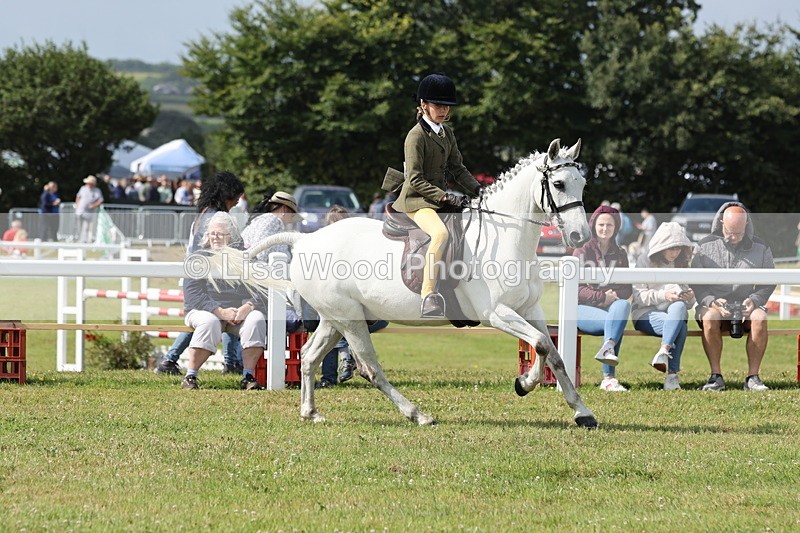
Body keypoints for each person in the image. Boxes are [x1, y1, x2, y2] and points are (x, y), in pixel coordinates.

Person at [391, 73, 483, 318]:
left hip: (437, 200)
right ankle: (428, 295)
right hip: (416, 201)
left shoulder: (447, 133)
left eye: (446, 106)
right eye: (437, 105)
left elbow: (458, 168)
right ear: (424, 105)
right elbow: (414, 179)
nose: (443, 110)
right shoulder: (416, 136)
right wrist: (445, 197)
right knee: (441, 234)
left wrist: (478, 190)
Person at [155, 171, 246, 376]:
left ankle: (230, 362)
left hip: (206, 273)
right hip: (206, 277)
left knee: (223, 314)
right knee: (215, 314)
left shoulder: (205, 211)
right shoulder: (213, 217)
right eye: (235, 199)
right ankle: (170, 359)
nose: (236, 203)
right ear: (226, 195)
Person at [690, 203, 775, 392]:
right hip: (713, 305)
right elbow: (695, 281)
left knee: (760, 318)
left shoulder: (761, 247)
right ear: (721, 223)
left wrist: (754, 300)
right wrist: (711, 300)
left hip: (747, 306)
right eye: (730, 232)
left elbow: (770, 281)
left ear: (746, 225)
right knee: (710, 316)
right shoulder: (704, 245)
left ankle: (753, 377)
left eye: (738, 232)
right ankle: (715, 376)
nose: (734, 237)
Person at [181, 212, 267, 390]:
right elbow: (193, 294)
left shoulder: (246, 256)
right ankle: (190, 376)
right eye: (212, 233)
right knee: (209, 321)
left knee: (256, 319)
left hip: (238, 313)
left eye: (220, 233)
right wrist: (219, 311)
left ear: (232, 236)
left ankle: (248, 376)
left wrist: (247, 307)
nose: (215, 237)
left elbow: (262, 289)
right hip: (203, 310)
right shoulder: (199, 257)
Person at [573, 205, 632, 392]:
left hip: (612, 308)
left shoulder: (621, 254)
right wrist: (602, 297)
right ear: (593, 226)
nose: (605, 229)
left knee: (622, 306)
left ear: (616, 228)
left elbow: (627, 288)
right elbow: (575, 290)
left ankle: (608, 353)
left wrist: (612, 297)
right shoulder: (582, 251)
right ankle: (609, 378)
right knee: (616, 322)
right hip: (581, 309)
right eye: (601, 225)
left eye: (609, 225)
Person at [631, 222, 696, 390]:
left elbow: (688, 303)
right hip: (645, 313)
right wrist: (663, 295)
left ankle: (663, 351)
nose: (675, 253)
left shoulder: (682, 262)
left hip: (674, 311)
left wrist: (689, 297)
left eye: (678, 248)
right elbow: (639, 297)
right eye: (671, 248)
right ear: (661, 246)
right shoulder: (644, 260)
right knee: (680, 326)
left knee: (680, 307)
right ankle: (672, 376)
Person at [75, 175, 104, 243]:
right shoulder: (83, 188)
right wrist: (77, 204)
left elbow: (100, 200)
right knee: (79, 226)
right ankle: (80, 238)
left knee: (87, 226)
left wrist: (94, 205)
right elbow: (78, 197)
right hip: (80, 211)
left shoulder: (97, 191)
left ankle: (86, 239)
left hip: (89, 212)